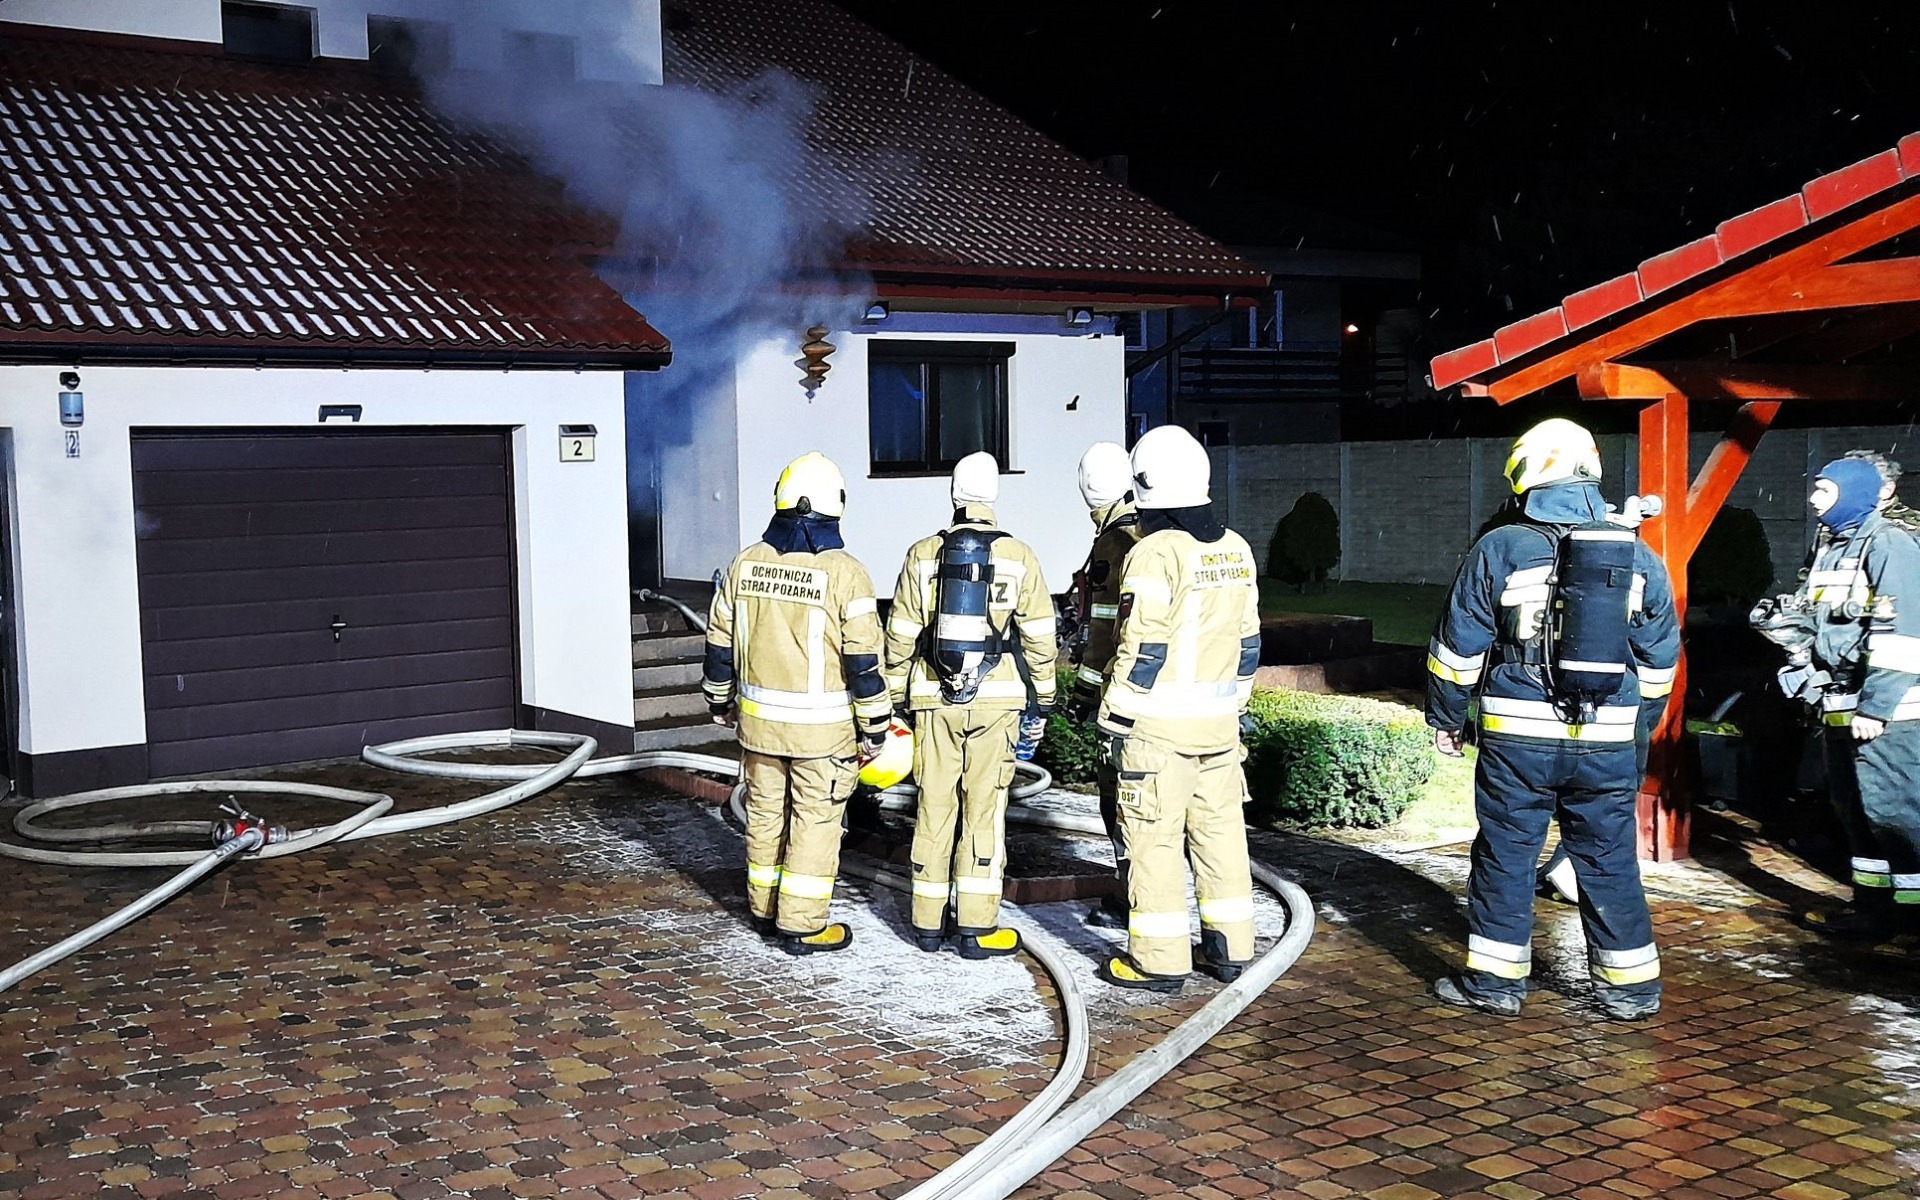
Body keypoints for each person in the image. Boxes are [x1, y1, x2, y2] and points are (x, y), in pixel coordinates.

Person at [1426, 418, 1679, 1021]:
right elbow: (1661, 660)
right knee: (1607, 857)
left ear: (1527, 474)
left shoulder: (1502, 548)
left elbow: (1457, 648)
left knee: (1508, 854)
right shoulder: (1638, 556)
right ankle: (1631, 990)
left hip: (1518, 740)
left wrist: (1446, 716)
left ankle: (1494, 984)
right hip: (1608, 741)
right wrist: (1633, 728)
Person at [1094, 425, 1262, 993]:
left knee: (1155, 842)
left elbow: (1144, 645)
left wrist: (1113, 716)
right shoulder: (1235, 548)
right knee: (1220, 836)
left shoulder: (1152, 553)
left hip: (1158, 732)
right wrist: (1232, 706)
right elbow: (1249, 642)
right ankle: (1231, 949)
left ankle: (1159, 961)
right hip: (1218, 729)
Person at [702, 452, 892, 956]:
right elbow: (864, 663)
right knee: (815, 821)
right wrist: (875, 728)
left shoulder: (747, 562)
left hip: (758, 729)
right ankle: (803, 924)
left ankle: (763, 911)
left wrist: (719, 700)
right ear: (835, 507)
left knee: (764, 816)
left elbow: (719, 641)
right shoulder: (847, 573)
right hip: (822, 735)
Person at [883, 451, 1058, 959]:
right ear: (994, 497)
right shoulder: (1020, 556)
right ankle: (976, 929)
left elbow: (899, 633)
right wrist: (1042, 698)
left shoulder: (922, 554)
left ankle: (926, 924)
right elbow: (1040, 636)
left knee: (934, 807)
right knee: (985, 811)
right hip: (997, 700)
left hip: (932, 698)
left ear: (954, 496)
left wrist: (896, 695)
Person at [1793, 458, 1920, 942]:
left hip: (1888, 714)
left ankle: (1911, 920)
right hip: (1840, 701)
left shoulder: (1889, 545)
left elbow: (1903, 635)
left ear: (1852, 492)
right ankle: (1872, 910)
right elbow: (1819, 620)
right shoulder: (1831, 546)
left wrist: (1876, 707)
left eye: (1823, 490)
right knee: (1853, 808)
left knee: (1896, 813)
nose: (1813, 499)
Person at [1066, 441, 1145, 929]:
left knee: (1119, 799)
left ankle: (1128, 895)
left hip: (1126, 697)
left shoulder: (1113, 544)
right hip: (1174, 695)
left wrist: (1083, 694)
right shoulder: (1160, 533)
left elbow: (1102, 630)